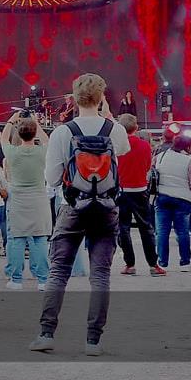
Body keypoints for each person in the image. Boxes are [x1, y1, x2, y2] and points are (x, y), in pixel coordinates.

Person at [31, 73, 129, 355]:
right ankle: (93, 341)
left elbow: (52, 179)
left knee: (59, 272)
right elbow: (123, 151)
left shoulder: (63, 132)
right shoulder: (114, 129)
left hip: (73, 206)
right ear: (102, 98)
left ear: (74, 99)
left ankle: (46, 334)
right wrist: (108, 116)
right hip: (106, 207)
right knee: (100, 275)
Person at [0, 111, 52, 290]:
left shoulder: (12, 153)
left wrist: (11, 120)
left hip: (18, 200)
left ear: (19, 134)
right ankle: (43, 280)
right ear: (34, 133)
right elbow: (46, 140)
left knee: (17, 239)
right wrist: (35, 122)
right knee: (40, 238)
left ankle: (16, 280)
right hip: (38, 199)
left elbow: (3, 138)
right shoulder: (42, 151)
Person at [116, 114, 162, 276]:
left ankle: (130, 264)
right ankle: (153, 264)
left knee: (123, 228)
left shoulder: (117, 146)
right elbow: (148, 166)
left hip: (122, 190)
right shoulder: (145, 146)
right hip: (140, 190)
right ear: (136, 128)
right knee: (146, 228)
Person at [153, 134, 191, 273]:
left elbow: (152, 173)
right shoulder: (190, 160)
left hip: (162, 197)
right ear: (189, 146)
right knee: (182, 231)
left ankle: (162, 262)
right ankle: (185, 262)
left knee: (162, 232)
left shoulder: (160, 156)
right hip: (182, 199)